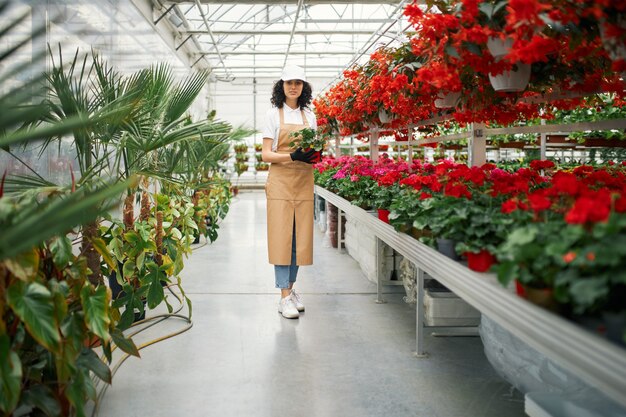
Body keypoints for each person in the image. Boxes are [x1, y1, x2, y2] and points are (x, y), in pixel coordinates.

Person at [261, 65, 318, 319]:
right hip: (281, 182)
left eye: (298, 82)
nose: (293, 86)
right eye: (288, 82)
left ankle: (291, 291)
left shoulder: (310, 116)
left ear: (304, 87)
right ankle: (284, 297)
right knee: (281, 237)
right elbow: (265, 155)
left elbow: (313, 149)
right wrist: (292, 155)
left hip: (303, 181)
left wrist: (313, 155)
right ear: (281, 86)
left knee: (299, 238)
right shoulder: (273, 115)